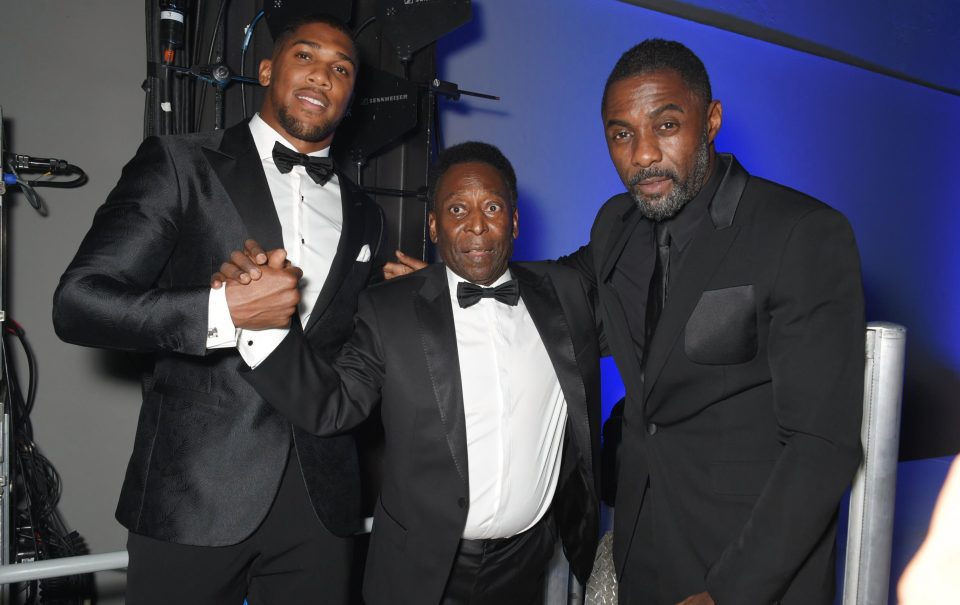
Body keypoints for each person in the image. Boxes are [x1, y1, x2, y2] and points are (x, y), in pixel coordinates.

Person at [387, 39, 865, 605]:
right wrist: (459, 282)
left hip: (748, 568)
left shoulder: (800, 232)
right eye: (621, 134)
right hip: (641, 554)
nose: (642, 155)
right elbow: (557, 289)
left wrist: (729, 592)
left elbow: (820, 446)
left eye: (666, 124)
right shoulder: (617, 224)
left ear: (710, 121)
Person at [52, 13, 384, 605]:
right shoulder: (180, 163)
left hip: (323, 499)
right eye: (304, 57)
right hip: (194, 495)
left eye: (341, 69)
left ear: (352, 93)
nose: (322, 76)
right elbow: (79, 303)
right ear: (265, 69)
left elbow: (359, 345)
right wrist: (224, 310)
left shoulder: (367, 212)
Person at [218, 142, 602, 605]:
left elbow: (629, 238)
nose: (477, 225)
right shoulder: (391, 310)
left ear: (515, 221)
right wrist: (261, 329)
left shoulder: (564, 293)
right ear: (435, 226)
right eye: (458, 208)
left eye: (493, 207)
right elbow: (332, 406)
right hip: (418, 569)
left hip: (526, 563)